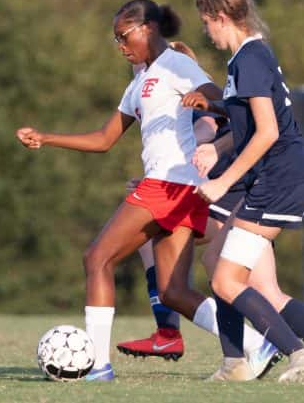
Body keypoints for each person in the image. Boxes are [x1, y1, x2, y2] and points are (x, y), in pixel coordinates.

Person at [17, 0, 242, 382]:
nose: (120, 45)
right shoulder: (139, 82)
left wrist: (209, 100)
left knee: (97, 259)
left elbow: (225, 100)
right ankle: (254, 346)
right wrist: (47, 137)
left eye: (124, 36)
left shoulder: (174, 63)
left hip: (169, 184)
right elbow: (105, 139)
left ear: (148, 29)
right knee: (173, 292)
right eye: (115, 39)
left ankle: (97, 365)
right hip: (179, 190)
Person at [189, 0, 304, 382]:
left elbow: (268, 133)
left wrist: (220, 180)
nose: (206, 31)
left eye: (206, 22)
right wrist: (219, 146)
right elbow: (252, 128)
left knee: (227, 279)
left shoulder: (249, 59)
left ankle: (299, 354)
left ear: (221, 17)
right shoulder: (246, 58)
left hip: (281, 178)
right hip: (278, 175)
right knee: (216, 262)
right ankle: (239, 362)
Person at [116, 42, 282, 379]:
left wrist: (180, 160)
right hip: (210, 199)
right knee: (157, 246)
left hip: (232, 200)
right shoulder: (160, 97)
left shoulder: (195, 100)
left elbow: (206, 129)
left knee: (265, 291)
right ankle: (170, 333)